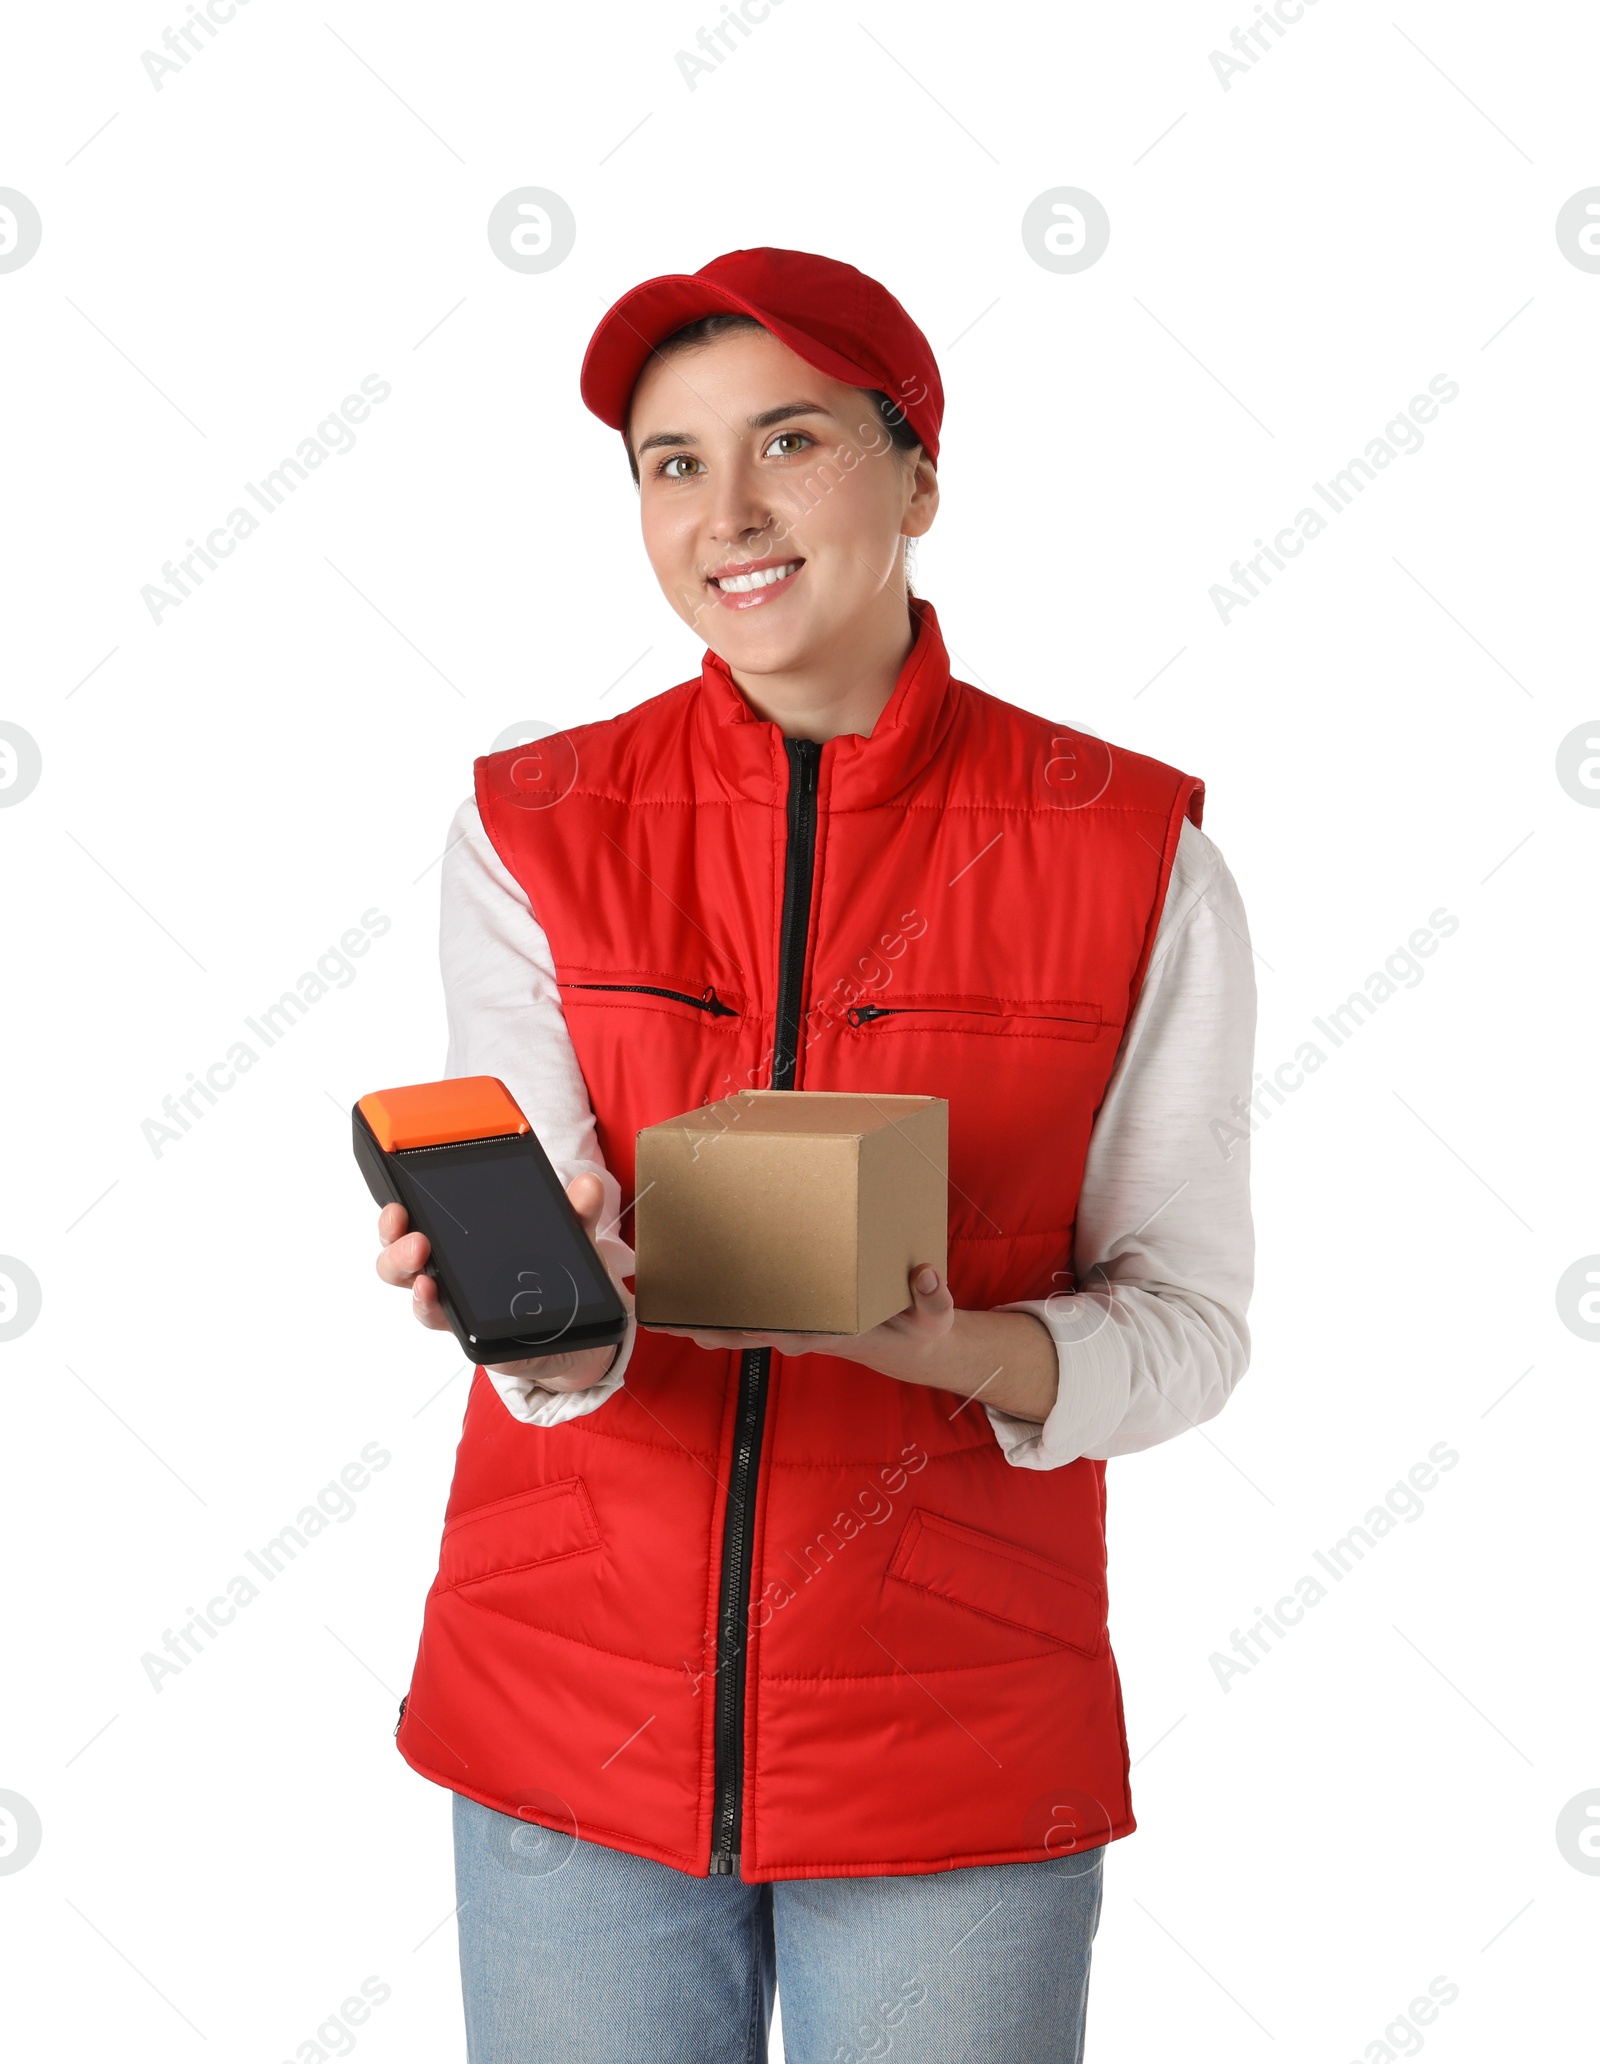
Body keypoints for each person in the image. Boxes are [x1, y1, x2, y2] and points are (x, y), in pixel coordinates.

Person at [373, 246, 1257, 2063]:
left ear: (918, 474)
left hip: (953, 1746)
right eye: (672, 461)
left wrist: (963, 1354)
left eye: (792, 441)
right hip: (568, 1731)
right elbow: (567, 1301)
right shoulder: (529, 829)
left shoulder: (1130, 852)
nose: (731, 512)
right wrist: (539, 1321)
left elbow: (1191, 1325)